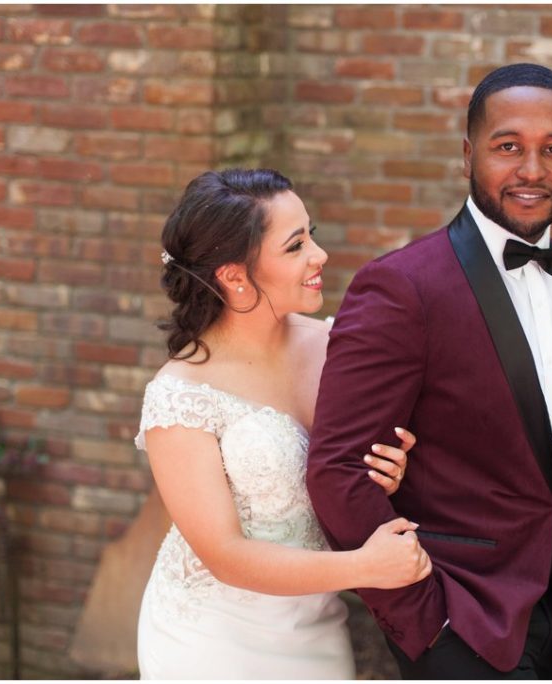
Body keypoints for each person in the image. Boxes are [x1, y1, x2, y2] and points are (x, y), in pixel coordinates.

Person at [307, 63, 552, 679]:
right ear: (467, 155)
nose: (532, 170)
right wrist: (425, 621)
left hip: (551, 613)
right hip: (457, 623)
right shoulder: (403, 287)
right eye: (508, 147)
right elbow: (338, 471)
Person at [135, 168, 432, 679]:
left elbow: (346, 475)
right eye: (295, 246)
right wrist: (366, 567)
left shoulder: (338, 346)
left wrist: (391, 470)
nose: (319, 255)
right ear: (234, 275)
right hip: (211, 641)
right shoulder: (180, 396)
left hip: (316, 628)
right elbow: (225, 555)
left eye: (310, 234)